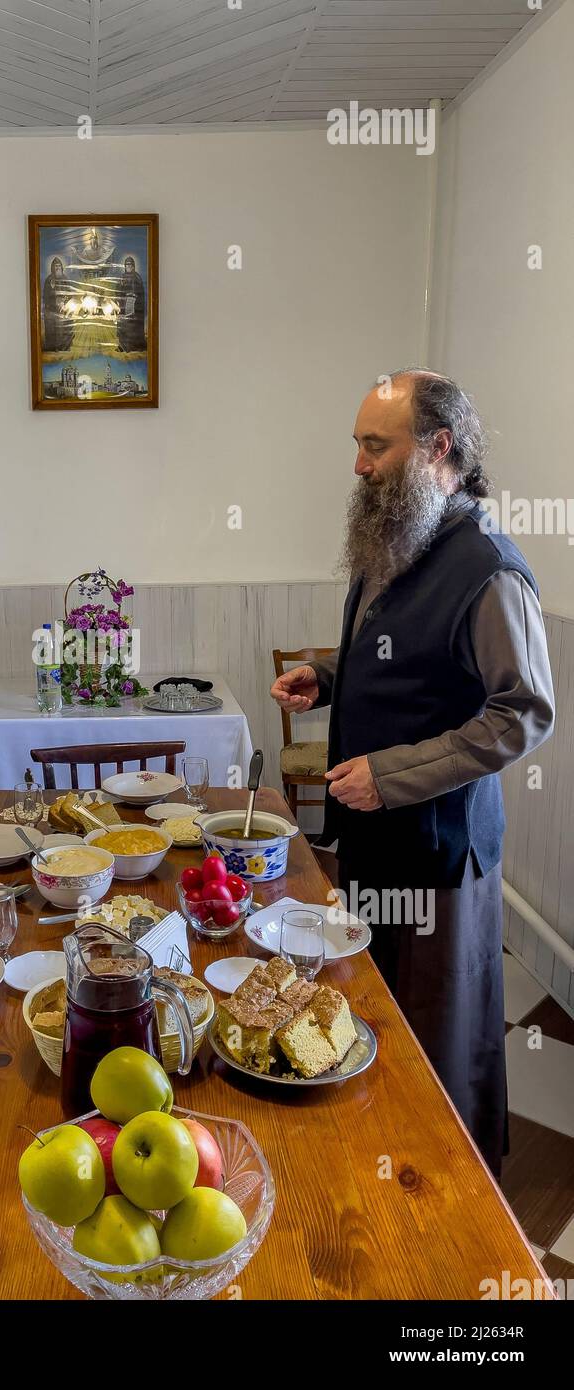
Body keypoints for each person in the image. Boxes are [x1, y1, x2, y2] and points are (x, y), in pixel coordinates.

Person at [270, 370, 554, 1176]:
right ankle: (370, 1165)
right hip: (369, 836)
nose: (358, 465)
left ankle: (445, 1201)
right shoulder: (396, 534)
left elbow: (522, 714)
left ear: (438, 448)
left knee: (434, 1034)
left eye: (374, 445)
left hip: (438, 853)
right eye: (356, 445)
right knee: (367, 1007)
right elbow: (402, 657)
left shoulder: (488, 568)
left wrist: (392, 775)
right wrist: (327, 677)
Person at [116, 254, 146, 352]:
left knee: (131, 327)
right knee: (122, 325)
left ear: (133, 267)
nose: (128, 268)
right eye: (126, 266)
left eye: (130, 266)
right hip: (123, 306)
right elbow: (117, 291)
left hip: (134, 309)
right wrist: (119, 299)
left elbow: (140, 293)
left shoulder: (137, 278)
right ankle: (122, 346)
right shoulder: (122, 278)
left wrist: (133, 299)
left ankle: (132, 346)